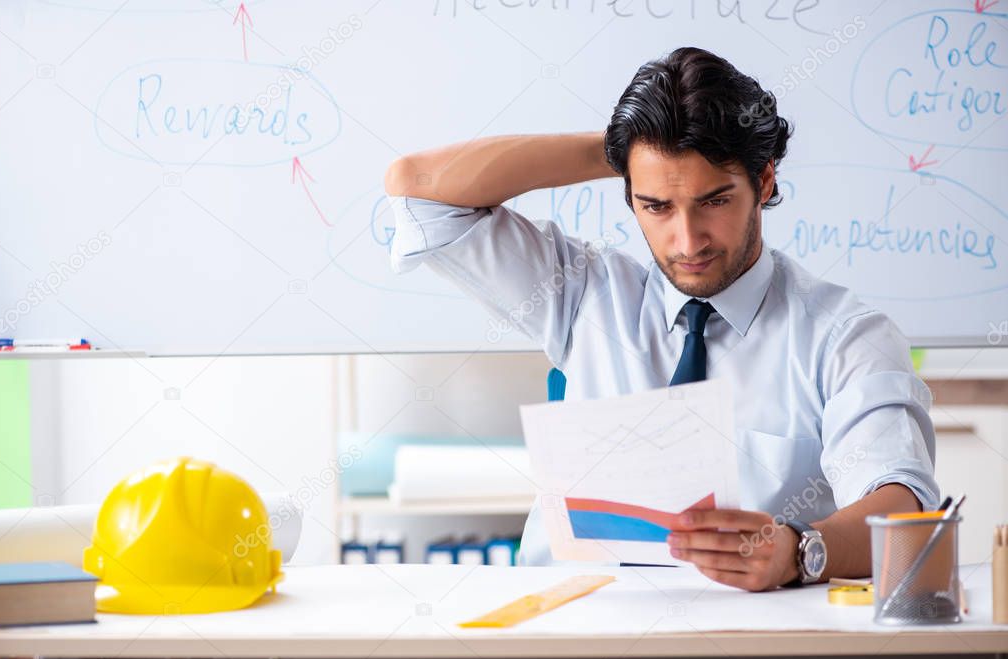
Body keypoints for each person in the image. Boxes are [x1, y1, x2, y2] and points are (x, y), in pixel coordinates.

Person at [383, 47, 939, 591]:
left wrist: (800, 551)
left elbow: (904, 507)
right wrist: (621, 150)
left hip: (745, 644)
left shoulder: (843, 336)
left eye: (714, 201)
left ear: (764, 182)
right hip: (560, 632)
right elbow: (417, 188)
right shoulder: (582, 294)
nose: (687, 239)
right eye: (657, 206)